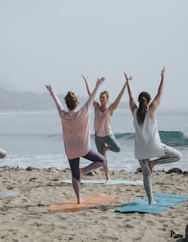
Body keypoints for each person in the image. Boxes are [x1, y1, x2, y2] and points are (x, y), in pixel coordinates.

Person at [124, 67, 182, 204]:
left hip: (140, 151)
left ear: (139, 101)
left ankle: (151, 199)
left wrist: (128, 82)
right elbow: (159, 93)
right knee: (178, 156)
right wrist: (163, 78)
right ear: (148, 101)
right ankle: (154, 162)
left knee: (146, 175)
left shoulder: (134, 111)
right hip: (155, 147)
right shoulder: (152, 109)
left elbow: (131, 96)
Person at [46, 76, 107, 204]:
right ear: (77, 103)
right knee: (103, 161)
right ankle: (83, 171)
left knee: (74, 175)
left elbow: (57, 103)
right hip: (84, 148)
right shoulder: (83, 111)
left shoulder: (63, 115)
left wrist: (51, 91)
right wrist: (98, 84)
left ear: (67, 105)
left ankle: (79, 199)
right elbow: (92, 98)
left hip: (71, 151)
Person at [82, 75, 131, 183]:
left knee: (118, 148)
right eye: (100, 97)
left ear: (107, 99)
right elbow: (91, 95)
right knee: (103, 160)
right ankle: (108, 177)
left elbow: (119, 97)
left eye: (103, 97)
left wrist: (126, 83)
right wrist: (86, 81)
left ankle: (107, 149)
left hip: (108, 136)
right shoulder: (96, 107)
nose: (101, 99)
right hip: (98, 137)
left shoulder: (111, 109)